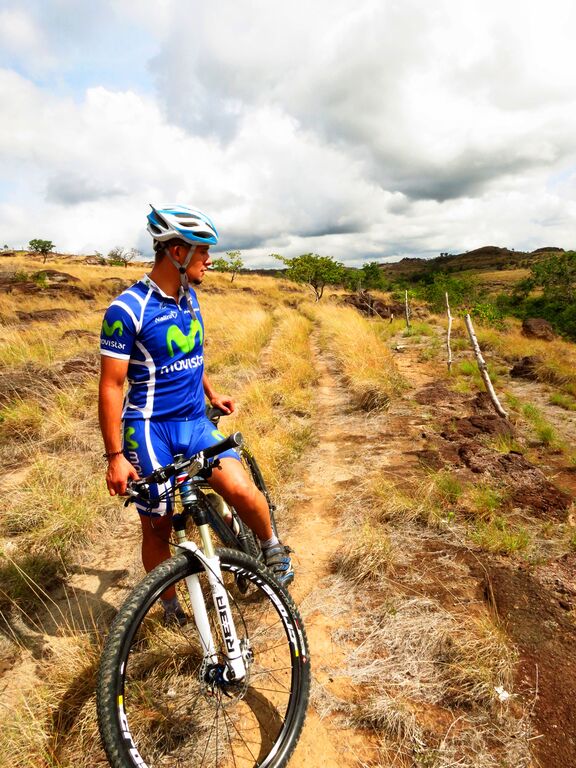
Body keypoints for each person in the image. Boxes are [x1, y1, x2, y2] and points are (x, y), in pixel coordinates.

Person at [98, 205, 294, 623]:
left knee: (241, 490)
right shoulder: (126, 309)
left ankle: (273, 546)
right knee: (158, 526)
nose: (209, 260)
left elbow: (194, 353)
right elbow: (111, 386)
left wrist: (211, 391)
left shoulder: (191, 298)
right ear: (175, 252)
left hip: (195, 422)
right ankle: (168, 604)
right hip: (149, 431)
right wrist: (115, 456)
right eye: (203, 251)